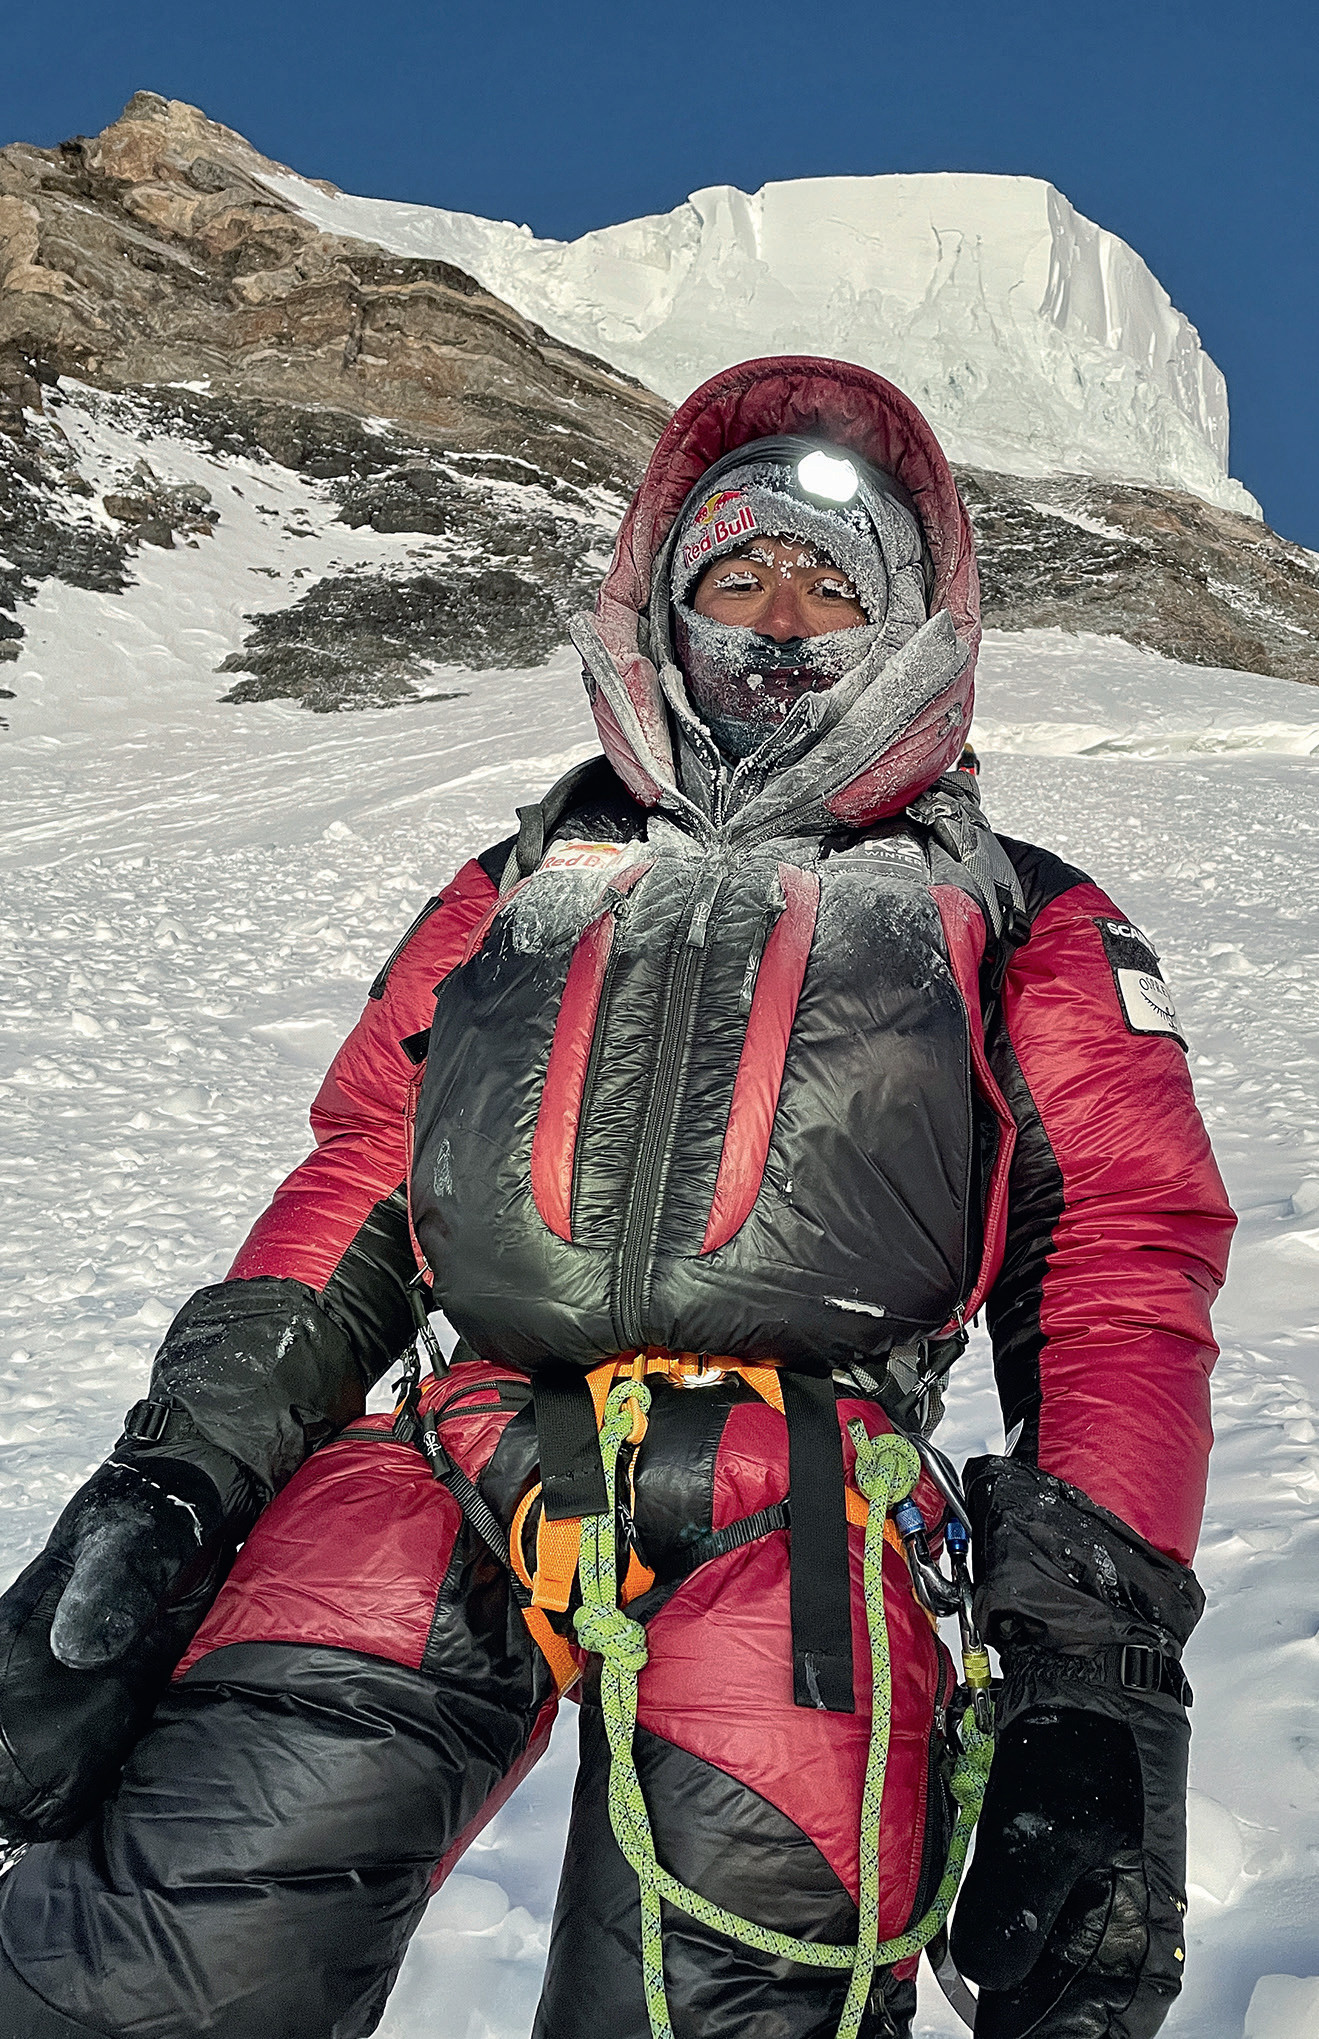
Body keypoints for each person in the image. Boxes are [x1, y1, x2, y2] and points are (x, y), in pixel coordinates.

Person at [0, 355, 1234, 2039]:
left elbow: (1116, 1265)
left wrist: (1096, 1675)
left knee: (725, 1995)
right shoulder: (521, 881)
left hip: (805, 1504)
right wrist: (172, 1479)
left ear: (910, 622)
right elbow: (367, 1173)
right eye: (736, 576)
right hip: (453, 1451)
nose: (779, 618)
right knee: (148, 1958)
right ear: (662, 602)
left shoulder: (1017, 913)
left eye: (831, 584)